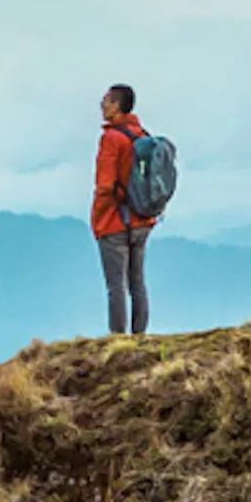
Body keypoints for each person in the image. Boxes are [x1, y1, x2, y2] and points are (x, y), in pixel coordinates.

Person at [93, 83, 153, 336]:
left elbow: (105, 184)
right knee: (137, 282)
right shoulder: (142, 136)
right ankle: (140, 334)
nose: (102, 105)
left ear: (116, 105)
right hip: (142, 220)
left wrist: (98, 218)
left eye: (105, 101)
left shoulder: (111, 138)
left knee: (116, 285)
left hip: (114, 221)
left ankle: (117, 339)